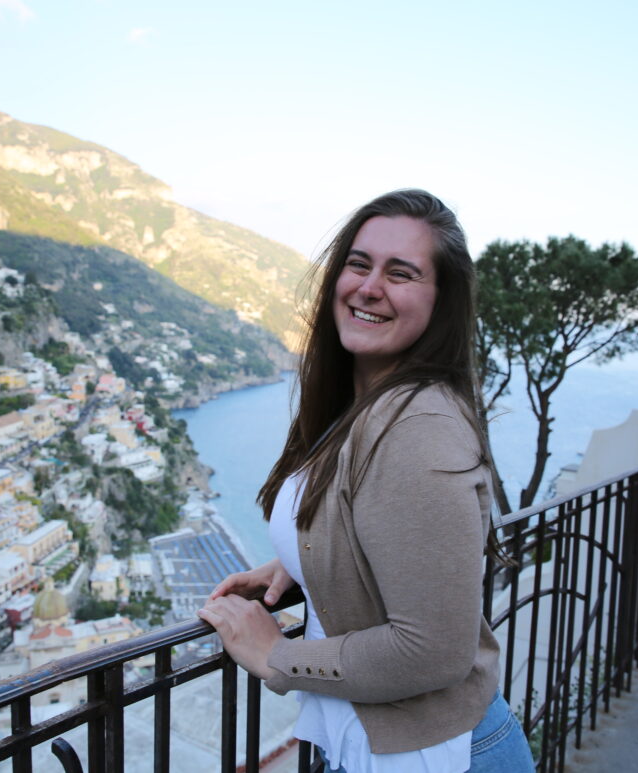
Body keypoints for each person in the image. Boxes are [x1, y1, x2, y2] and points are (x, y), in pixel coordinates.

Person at [198, 189, 535, 772]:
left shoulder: (416, 427)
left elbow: (432, 652)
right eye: (359, 263)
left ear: (441, 303)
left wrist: (277, 654)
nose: (369, 286)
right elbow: (379, 522)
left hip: (438, 757)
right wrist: (309, 561)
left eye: (401, 273)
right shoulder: (371, 405)